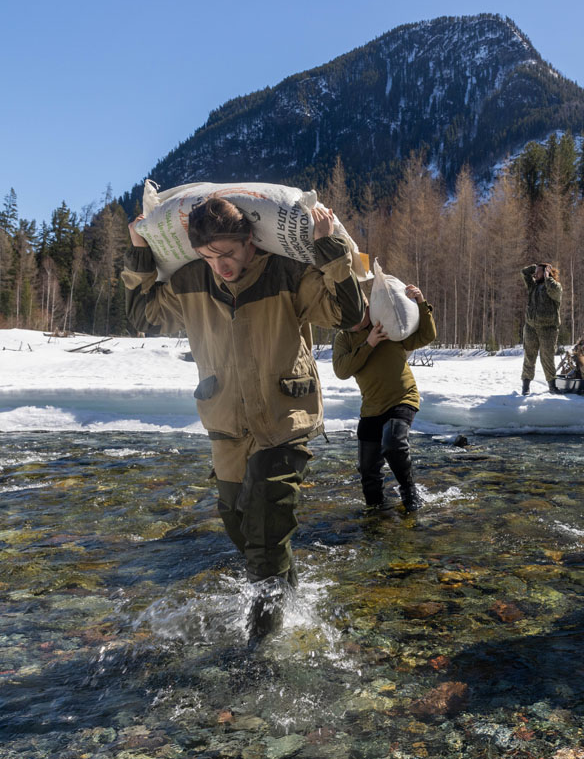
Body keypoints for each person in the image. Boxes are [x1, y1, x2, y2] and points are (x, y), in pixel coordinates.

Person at [123, 198, 365, 640]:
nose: (222, 265)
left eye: (228, 253)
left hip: (283, 420)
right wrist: (140, 252)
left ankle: (259, 653)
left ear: (250, 240)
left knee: (266, 539)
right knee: (242, 530)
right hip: (226, 427)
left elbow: (348, 315)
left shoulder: (287, 274)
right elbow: (142, 317)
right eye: (210, 256)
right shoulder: (191, 281)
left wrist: (329, 250)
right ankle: (293, 605)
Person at [332, 284, 437, 513]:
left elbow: (426, 336)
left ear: (367, 306)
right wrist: (369, 343)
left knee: (393, 443)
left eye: (360, 311)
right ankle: (376, 515)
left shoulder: (388, 322)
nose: (355, 319)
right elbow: (342, 370)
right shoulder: (344, 337)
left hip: (402, 398)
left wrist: (421, 302)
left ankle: (410, 493)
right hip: (371, 408)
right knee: (368, 470)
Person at [520, 262, 562, 394]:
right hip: (531, 327)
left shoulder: (554, 286)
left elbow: (555, 290)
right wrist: (535, 267)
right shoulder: (533, 286)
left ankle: (552, 386)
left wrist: (547, 276)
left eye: (539, 272)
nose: (535, 274)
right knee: (529, 357)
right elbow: (524, 273)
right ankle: (525, 386)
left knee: (547, 357)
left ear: (546, 273)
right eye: (536, 272)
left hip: (548, 328)